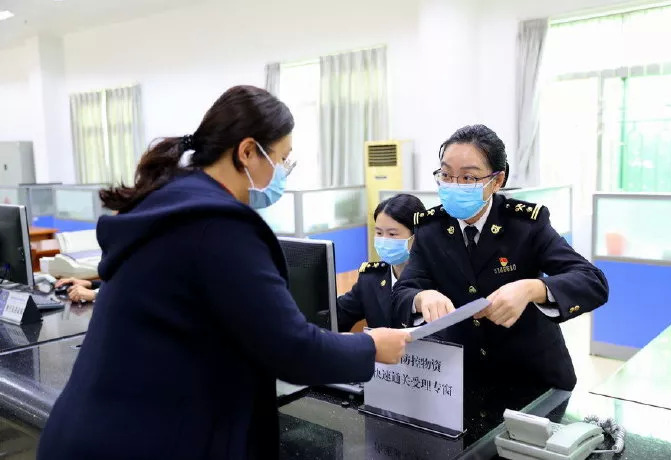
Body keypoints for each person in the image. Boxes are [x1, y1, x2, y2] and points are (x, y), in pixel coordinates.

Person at [38, 85, 410, 460]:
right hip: (142, 441)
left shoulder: (168, 201)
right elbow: (291, 349)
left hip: (94, 430)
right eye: (282, 159)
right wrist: (371, 346)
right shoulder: (219, 226)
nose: (283, 173)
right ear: (247, 151)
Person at [392, 124, 608, 392]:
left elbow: (592, 281)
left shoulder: (525, 224)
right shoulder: (430, 228)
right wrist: (422, 297)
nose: (454, 185)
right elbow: (402, 291)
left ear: (497, 181)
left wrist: (533, 289)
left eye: (468, 178)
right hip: (462, 380)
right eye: (446, 175)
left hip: (530, 378)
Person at [336, 194, 426, 332]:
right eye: (379, 233)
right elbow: (337, 316)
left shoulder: (439, 279)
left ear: (416, 236)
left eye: (392, 234)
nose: (384, 240)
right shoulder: (371, 279)